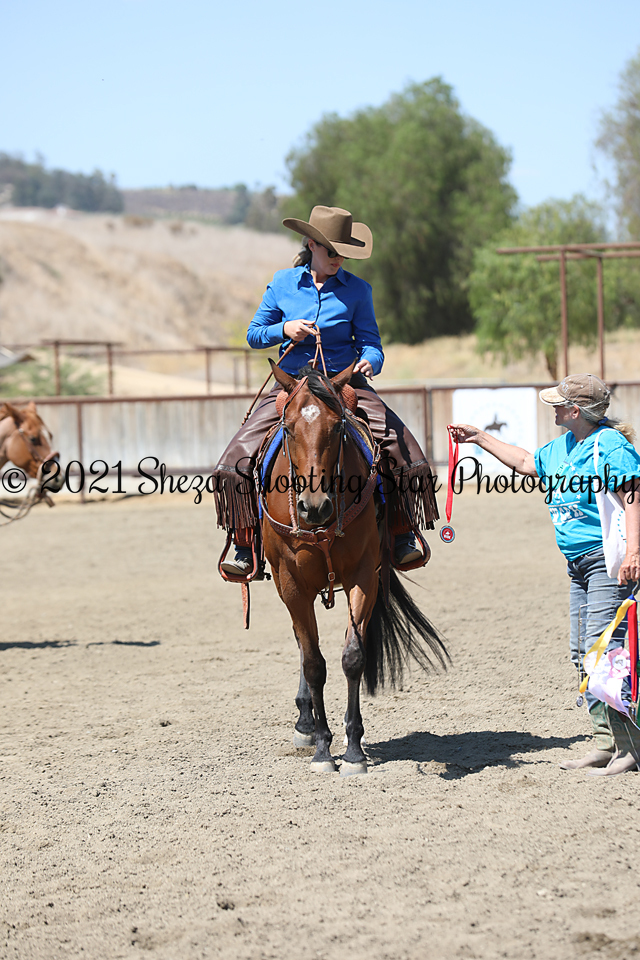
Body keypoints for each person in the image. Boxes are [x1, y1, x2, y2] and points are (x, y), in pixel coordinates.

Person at [213, 205, 438, 575]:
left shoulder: (358, 290)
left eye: (343, 253)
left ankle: (401, 535)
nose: (338, 259)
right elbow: (254, 335)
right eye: (332, 251)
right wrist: (284, 330)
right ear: (311, 244)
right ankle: (244, 545)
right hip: (293, 385)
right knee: (235, 459)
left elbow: (371, 344)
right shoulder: (282, 284)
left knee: (402, 447)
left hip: (343, 383)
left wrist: (371, 362)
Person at [451, 373, 640, 777]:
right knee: (582, 652)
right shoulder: (563, 447)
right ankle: (606, 744)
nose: (552, 408)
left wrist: (634, 553)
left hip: (607, 562)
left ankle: (631, 748)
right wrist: (479, 437)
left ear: (576, 411)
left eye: (559, 403)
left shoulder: (609, 445)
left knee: (605, 652)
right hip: (578, 565)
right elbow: (524, 462)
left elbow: (633, 497)